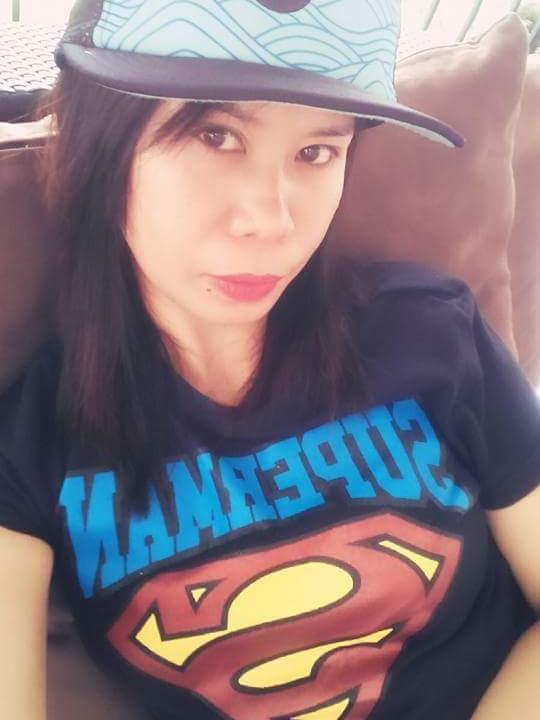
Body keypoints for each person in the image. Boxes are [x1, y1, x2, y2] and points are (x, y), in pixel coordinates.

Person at [0, 1, 538, 719]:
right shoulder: (32, 445)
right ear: (101, 147)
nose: (273, 221)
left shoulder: (433, 332)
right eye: (216, 136)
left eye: (316, 153)